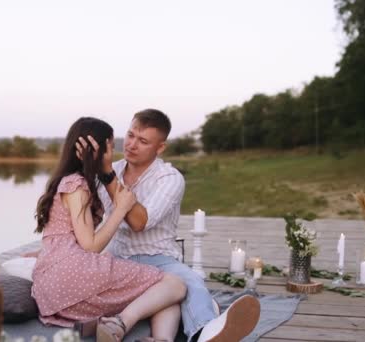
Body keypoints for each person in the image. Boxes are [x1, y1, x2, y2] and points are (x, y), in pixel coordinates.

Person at [79, 109, 260, 342]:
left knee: (190, 281)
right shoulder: (108, 170)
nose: (131, 145)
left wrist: (107, 176)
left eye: (143, 141)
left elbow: (139, 222)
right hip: (118, 256)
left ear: (160, 147)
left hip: (159, 258)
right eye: (131, 135)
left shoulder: (170, 178)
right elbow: (87, 219)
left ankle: (207, 334)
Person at [31, 117, 187, 342]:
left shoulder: (65, 181)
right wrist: (121, 208)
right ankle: (119, 324)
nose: (114, 153)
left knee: (156, 292)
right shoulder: (77, 185)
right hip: (71, 275)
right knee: (174, 285)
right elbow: (90, 245)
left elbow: (66, 236)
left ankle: (160, 339)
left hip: (51, 288)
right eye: (111, 147)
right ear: (97, 149)